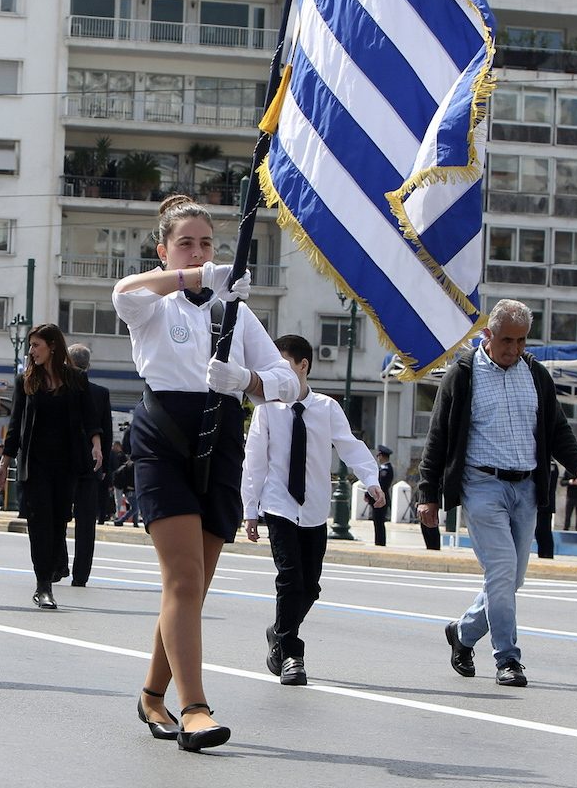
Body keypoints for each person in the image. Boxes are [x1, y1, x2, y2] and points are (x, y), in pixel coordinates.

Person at [113, 195, 297, 751]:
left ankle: (151, 694)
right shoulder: (155, 305)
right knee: (184, 580)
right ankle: (194, 707)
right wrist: (196, 275)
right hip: (163, 434)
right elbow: (125, 293)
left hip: (221, 441)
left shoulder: (234, 312)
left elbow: (291, 384)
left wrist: (245, 381)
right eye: (185, 243)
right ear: (163, 249)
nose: (197, 253)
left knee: (192, 588)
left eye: (206, 244)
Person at [416, 299, 577, 689]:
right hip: (482, 485)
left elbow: (557, 427)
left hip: (528, 487)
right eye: (507, 341)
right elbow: (438, 438)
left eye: (521, 341)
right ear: (488, 334)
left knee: (511, 580)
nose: (514, 349)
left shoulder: (535, 373)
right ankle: (508, 659)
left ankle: (462, 634)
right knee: (500, 571)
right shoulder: (463, 375)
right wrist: (427, 493)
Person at [244, 334, 383, 686]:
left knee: (310, 586)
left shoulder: (326, 407)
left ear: (303, 366)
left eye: (283, 365)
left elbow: (350, 447)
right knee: (290, 578)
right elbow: (255, 462)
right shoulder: (267, 410)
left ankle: (279, 631)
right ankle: (292, 654)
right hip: (278, 505)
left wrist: (371, 480)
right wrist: (250, 509)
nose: (274, 374)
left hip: (315, 508)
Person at [0, 324, 99, 609]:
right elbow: (15, 426)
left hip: (66, 465)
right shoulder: (25, 381)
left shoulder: (76, 379)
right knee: (39, 524)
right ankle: (43, 586)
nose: (31, 352)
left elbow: (90, 417)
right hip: (35, 465)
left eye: (36, 345)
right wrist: (4, 465)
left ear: (53, 346)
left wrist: (97, 444)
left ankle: (51, 570)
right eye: (30, 346)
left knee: (58, 522)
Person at [58, 342, 111, 587]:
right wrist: (105, 470)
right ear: (88, 366)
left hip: (63, 463)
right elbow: (107, 434)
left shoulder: (59, 390)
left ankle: (59, 564)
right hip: (91, 465)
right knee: (86, 522)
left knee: (57, 516)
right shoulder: (100, 393)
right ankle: (81, 574)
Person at [371, 447, 395, 547]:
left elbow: (381, 485)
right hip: (378, 499)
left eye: (379, 456)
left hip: (382, 499)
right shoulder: (383, 468)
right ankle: (378, 541)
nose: (378, 458)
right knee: (377, 521)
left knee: (379, 521)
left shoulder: (386, 469)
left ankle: (380, 542)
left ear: (382, 456)